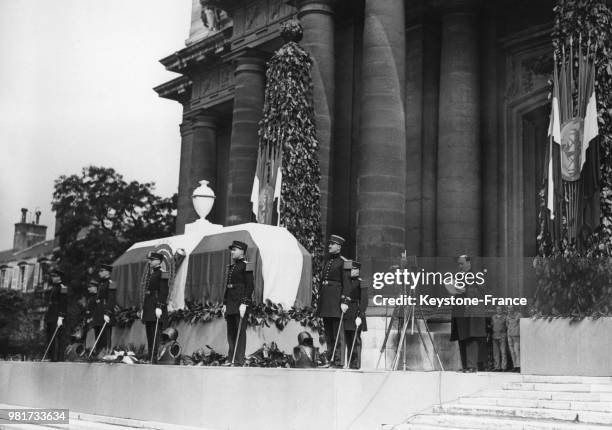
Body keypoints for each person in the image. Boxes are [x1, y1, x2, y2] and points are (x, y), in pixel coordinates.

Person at [317, 234, 352, 367]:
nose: (329, 246)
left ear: (339, 247)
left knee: (338, 332)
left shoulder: (344, 263)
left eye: (332, 244)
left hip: (337, 302)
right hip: (326, 301)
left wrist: (345, 301)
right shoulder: (328, 262)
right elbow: (322, 283)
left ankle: (338, 361)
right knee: (328, 333)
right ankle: (330, 358)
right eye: (329, 243)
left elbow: (347, 284)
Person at [448, 255, 487, 372]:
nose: (460, 266)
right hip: (460, 311)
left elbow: (483, 292)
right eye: (458, 264)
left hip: (471, 311)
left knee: (471, 337)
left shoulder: (477, 276)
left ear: (469, 263)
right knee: (462, 336)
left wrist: (466, 289)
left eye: (462, 263)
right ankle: (465, 365)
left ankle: (472, 366)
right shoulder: (457, 277)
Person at [223, 240, 254, 366]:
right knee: (231, 332)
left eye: (234, 250)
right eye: (232, 250)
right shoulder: (232, 266)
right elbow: (228, 286)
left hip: (240, 303)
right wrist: (225, 303)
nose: (232, 252)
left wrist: (244, 303)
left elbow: (250, 286)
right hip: (231, 302)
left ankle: (239, 360)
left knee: (240, 332)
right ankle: (231, 358)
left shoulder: (247, 265)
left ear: (242, 251)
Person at [141, 252, 169, 363]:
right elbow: (148, 293)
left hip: (155, 307)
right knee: (149, 334)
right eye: (149, 260)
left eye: (152, 260)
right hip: (149, 307)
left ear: (158, 261)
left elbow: (163, 291)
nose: (149, 261)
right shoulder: (152, 273)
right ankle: (151, 356)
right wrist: (144, 309)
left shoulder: (163, 273)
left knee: (156, 334)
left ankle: (155, 357)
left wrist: (160, 306)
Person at [342, 260, 368, 369]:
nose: (351, 272)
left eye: (353, 269)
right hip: (347, 313)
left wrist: (360, 315)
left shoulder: (362, 282)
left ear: (357, 270)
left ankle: (356, 364)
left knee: (355, 339)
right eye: (350, 270)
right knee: (348, 339)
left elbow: (364, 300)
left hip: (356, 313)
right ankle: (349, 363)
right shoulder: (346, 282)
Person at [89, 263, 116, 353]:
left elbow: (111, 299)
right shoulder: (101, 283)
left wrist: (108, 312)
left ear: (107, 272)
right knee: (98, 336)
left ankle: (105, 353)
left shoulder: (111, 283)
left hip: (105, 312)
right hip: (99, 313)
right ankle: (98, 353)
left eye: (102, 271)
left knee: (105, 336)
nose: (99, 273)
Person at [44, 269, 68, 362]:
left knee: (57, 337)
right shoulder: (54, 287)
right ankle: (51, 356)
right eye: (52, 276)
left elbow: (63, 303)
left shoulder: (63, 287)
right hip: (51, 315)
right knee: (50, 336)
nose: (52, 278)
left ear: (59, 277)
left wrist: (61, 317)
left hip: (57, 316)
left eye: (54, 276)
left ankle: (57, 358)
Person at [490, 305, 508, 371]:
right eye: (497, 309)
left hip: (502, 336)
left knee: (503, 352)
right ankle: (497, 367)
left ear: (502, 310)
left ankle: (504, 367)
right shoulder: (493, 317)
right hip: (495, 336)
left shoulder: (505, 317)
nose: (498, 310)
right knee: (496, 353)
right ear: (496, 310)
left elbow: (507, 326)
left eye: (500, 309)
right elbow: (492, 325)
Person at [506, 304, 521, 372]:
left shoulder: (519, 315)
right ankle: (515, 366)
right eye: (508, 308)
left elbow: (522, 324)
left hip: (516, 336)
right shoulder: (507, 316)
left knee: (516, 351)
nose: (509, 309)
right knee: (512, 352)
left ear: (514, 308)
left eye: (511, 308)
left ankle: (519, 366)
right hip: (509, 335)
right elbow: (507, 325)